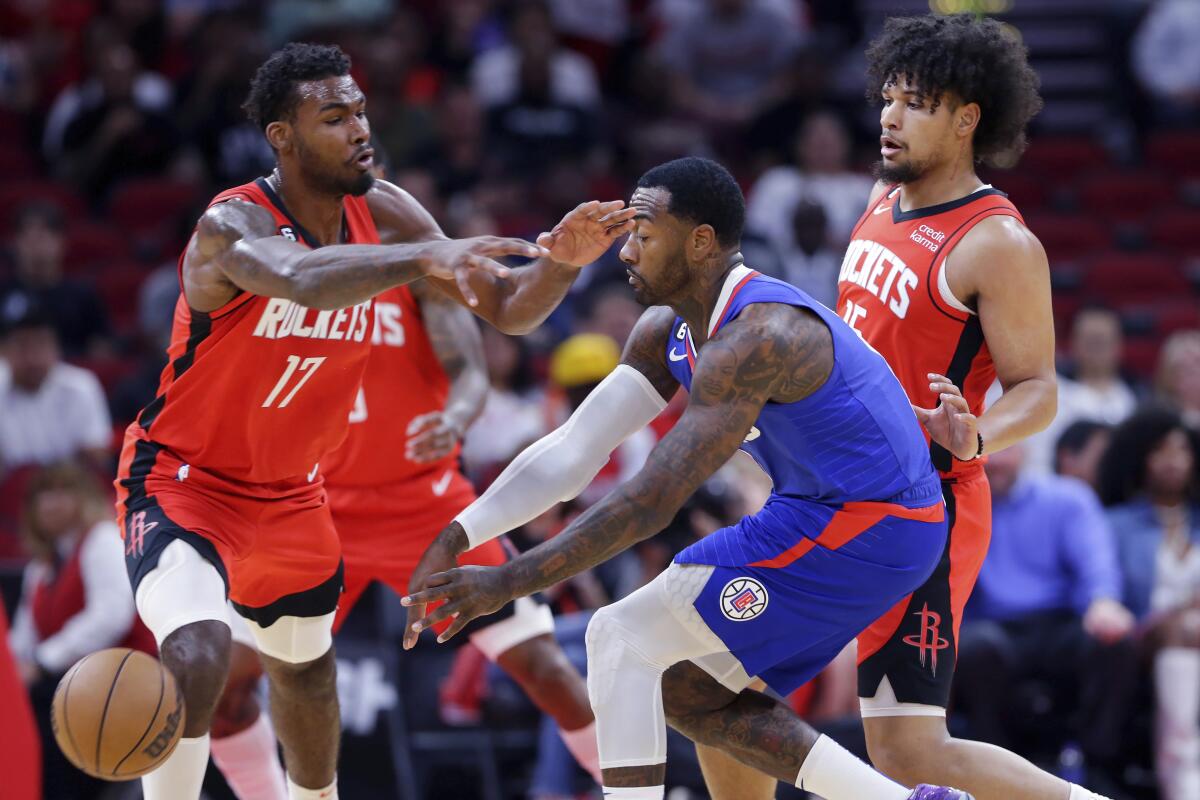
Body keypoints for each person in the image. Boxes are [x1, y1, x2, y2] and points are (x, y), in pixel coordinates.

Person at [114, 42, 634, 800]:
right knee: (199, 656)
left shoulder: (388, 214)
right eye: (334, 116)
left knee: (309, 678)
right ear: (282, 137)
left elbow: (508, 311)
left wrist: (560, 265)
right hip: (185, 483)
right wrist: (429, 254)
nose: (359, 127)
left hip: (303, 498)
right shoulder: (230, 224)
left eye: (359, 110)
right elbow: (299, 280)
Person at [404, 156, 972, 800]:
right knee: (687, 691)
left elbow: (651, 501)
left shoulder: (761, 336)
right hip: (822, 512)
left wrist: (507, 579)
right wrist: (462, 530)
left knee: (616, 635)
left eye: (644, 235)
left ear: (700, 242)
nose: (626, 251)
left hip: (875, 523)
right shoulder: (665, 329)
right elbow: (571, 450)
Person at [206, 235, 605, 797]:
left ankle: (641, 789)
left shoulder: (417, 275)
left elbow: (469, 373)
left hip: (425, 507)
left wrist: (455, 419)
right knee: (223, 688)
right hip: (310, 509)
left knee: (544, 670)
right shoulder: (287, 276)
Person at [832, 15, 1110, 800]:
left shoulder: (998, 243)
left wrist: (976, 430)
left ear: (965, 120)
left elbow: (1039, 389)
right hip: (838, 490)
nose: (890, 117)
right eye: (888, 98)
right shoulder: (880, 196)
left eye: (915, 103)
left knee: (911, 750)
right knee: (724, 669)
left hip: (926, 501)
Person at [953, 445, 1135, 782]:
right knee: (974, 647)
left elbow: (1096, 563)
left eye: (1000, 450)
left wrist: (1103, 602)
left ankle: (1098, 767)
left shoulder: (1067, 498)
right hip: (992, 626)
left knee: (1115, 641)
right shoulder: (956, 503)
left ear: (1022, 449)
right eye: (982, 453)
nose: (993, 462)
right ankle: (995, 773)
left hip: (1061, 622)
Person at [8, 461, 155, 800]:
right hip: (73, 682)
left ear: (84, 498)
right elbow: (23, 638)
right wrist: (14, 670)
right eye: (42, 495)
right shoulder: (40, 567)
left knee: (43, 708)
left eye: (61, 492)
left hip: (125, 677)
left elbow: (110, 616)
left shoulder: (102, 540)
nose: (50, 503)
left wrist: (42, 662)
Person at [1100, 408, 1200, 800]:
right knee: (1180, 628)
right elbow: (1109, 593)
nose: (1173, 459)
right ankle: (1182, 780)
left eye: (1182, 449)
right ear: (1140, 457)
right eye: (1161, 450)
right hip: (1143, 636)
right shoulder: (1116, 524)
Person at [0, 298, 111, 475]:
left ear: (56, 348)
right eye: (22, 345)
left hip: (71, 490)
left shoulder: (81, 385)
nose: (32, 357)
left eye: (41, 344)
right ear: (3, 351)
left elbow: (95, 460)